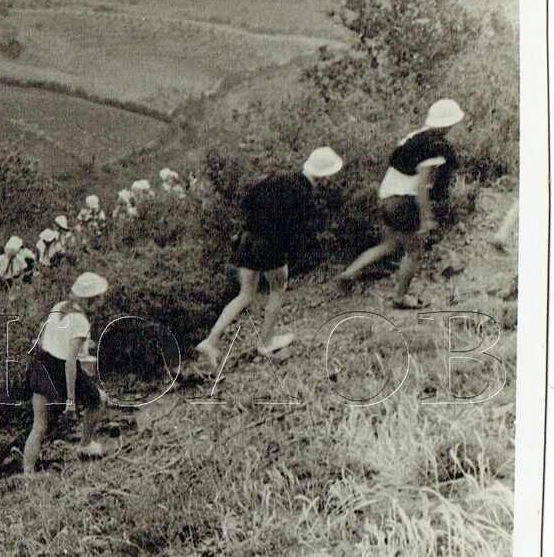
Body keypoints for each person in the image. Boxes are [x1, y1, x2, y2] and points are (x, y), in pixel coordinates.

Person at [196, 146, 344, 370]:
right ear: (323, 177)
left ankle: (210, 341)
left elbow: (246, 202)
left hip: (248, 240)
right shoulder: (304, 194)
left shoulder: (279, 178)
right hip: (270, 246)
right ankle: (266, 343)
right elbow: (298, 233)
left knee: (245, 294)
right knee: (278, 289)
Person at [337, 99, 464, 309]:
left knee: (390, 244)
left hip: (386, 198)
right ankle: (400, 297)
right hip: (403, 203)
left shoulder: (413, 137)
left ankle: (349, 273)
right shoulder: (433, 147)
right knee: (414, 252)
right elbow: (422, 187)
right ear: (445, 124)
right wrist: (426, 218)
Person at [23, 272, 109, 475]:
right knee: (99, 400)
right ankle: (85, 444)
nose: (101, 303)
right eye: (99, 299)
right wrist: (70, 399)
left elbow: (48, 337)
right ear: (90, 299)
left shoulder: (59, 306)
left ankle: (28, 472)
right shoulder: (81, 322)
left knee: (39, 426)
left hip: (41, 363)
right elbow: (70, 362)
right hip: (61, 368)